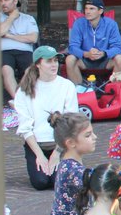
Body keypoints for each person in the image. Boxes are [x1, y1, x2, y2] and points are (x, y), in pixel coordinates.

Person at [14, 46, 79, 190]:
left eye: (56, 60)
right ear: (38, 64)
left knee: (59, 182)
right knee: (40, 183)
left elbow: (70, 122)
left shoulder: (67, 86)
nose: (54, 64)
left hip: (62, 144)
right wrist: (39, 155)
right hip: (37, 144)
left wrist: (57, 152)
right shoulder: (24, 90)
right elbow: (25, 127)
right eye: (49, 61)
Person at [65, 0, 121, 86]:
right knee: (69, 59)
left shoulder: (111, 24)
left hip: (105, 60)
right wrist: (86, 54)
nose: (87, 12)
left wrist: (104, 53)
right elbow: (72, 47)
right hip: (85, 60)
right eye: (86, 8)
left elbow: (117, 47)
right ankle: (79, 91)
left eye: (92, 9)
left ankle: (113, 90)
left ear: (100, 11)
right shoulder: (79, 23)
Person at [0, 0, 39, 101]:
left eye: (6, 0)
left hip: (25, 51)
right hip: (4, 51)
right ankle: (18, 101)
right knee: (7, 70)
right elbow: (0, 32)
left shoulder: (28, 18)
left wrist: (9, 36)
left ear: (15, 1)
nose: (3, 3)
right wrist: (11, 17)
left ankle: (20, 98)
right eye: (1, 1)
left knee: (29, 72)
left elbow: (33, 38)